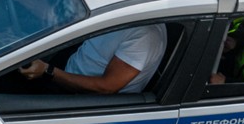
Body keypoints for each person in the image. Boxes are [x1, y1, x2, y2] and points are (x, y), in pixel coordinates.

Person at [18, 23, 167, 94]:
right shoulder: (123, 9)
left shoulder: (145, 36)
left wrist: (48, 71)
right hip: (70, 64)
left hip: (83, 97)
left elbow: (106, 87)